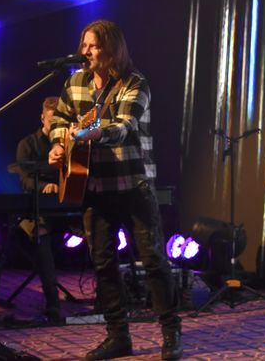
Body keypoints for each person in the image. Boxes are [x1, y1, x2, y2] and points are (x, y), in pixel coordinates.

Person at [47, 20, 182, 361]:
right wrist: (59, 145)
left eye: (93, 46)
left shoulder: (134, 83)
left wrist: (94, 133)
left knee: (153, 260)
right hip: (94, 186)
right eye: (84, 45)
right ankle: (118, 336)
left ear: (111, 49)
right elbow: (60, 120)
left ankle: (171, 332)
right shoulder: (74, 82)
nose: (85, 52)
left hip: (133, 185)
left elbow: (124, 127)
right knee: (103, 264)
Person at [15, 96, 61, 324]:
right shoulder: (27, 144)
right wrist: (45, 186)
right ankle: (53, 302)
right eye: (52, 121)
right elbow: (24, 180)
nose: (55, 126)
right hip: (36, 208)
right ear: (43, 118)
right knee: (39, 234)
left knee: (98, 227)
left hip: (66, 207)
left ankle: (105, 299)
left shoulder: (70, 143)